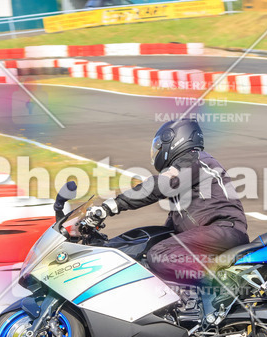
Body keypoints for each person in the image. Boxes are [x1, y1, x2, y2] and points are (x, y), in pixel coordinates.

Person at [84, 118, 249, 288]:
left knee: (161, 255)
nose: (157, 151)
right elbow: (169, 229)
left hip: (223, 230)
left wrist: (110, 206)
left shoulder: (194, 159)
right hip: (214, 232)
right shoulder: (188, 177)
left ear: (174, 139)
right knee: (149, 250)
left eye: (159, 146)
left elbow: (158, 186)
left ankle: (215, 289)